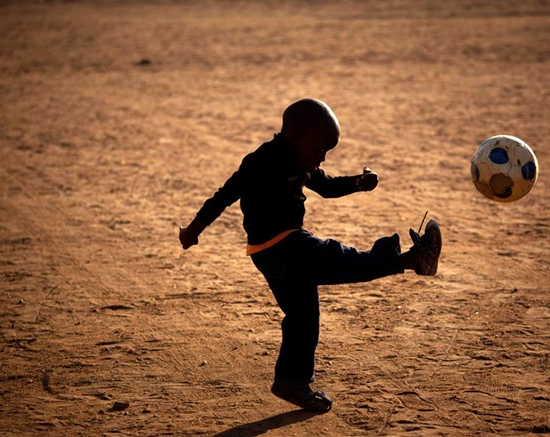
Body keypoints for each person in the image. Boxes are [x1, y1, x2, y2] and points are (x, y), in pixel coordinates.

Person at [179, 98, 441, 413]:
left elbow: (327, 187)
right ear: (295, 136)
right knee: (345, 260)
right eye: (319, 150)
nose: (322, 159)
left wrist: (358, 183)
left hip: (272, 253)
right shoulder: (260, 161)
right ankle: (410, 259)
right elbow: (223, 196)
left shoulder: (302, 161)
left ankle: (291, 382)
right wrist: (192, 230)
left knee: (304, 319)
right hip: (283, 245)